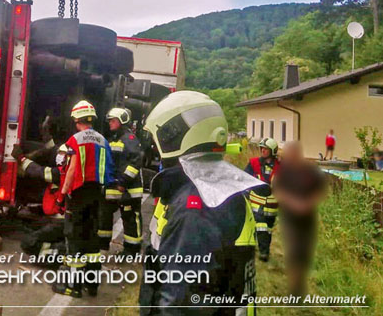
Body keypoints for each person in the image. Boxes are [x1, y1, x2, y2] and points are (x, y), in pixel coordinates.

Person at [139, 91, 265, 315]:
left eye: (158, 139)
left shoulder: (195, 208)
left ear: (173, 137)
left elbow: (181, 303)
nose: (155, 147)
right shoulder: (219, 189)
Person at [52, 100, 113, 298]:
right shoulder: (103, 140)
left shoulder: (75, 140)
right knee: (91, 239)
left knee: (75, 239)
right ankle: (92, 286)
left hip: (77, 195)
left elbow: (71, 171)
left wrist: (61, 195)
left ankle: (73, 287)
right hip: (96, 194)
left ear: (77, 119)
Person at [273, 141, 326, 296]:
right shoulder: (283, 172)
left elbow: (321, 191)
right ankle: (295, 290)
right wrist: (294, 203)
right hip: (290, 220)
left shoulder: (311, 170)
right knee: (294, 252)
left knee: (306, 253)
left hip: (308, 220)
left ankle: (300, 282)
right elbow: (278, 192)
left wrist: (308, 203)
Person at [99, 107, 144, 255]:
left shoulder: (129, 139)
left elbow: (136, 162)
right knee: (104, 216)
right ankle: (102, 246)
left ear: (121, 121)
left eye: (113, 121)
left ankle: (132, 250)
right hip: (115, 188)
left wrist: (122, 182)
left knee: (130, 220)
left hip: (129, 190)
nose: (110, 123)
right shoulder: (114, 139)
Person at [15, 144, 72, 260]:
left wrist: (22, 159)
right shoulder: (70, 171)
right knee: (28, 229)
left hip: (63, 222)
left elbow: (39, 171)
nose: (59, 156)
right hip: (62, 220)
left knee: (29, 243)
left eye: (62, 154)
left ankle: (63, 252)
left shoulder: (62, 173)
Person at [244, 137, 280, 262]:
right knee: (261, 226)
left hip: (272, 205)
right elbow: (244, 178)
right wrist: (245, 192)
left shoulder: (281, 167)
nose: (263, 151)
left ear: (273, 151)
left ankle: (265, 250)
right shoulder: (253, 163)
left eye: (266, 149)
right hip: (256, 202)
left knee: (268, 229)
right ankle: (263, 252)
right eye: (262, 148)